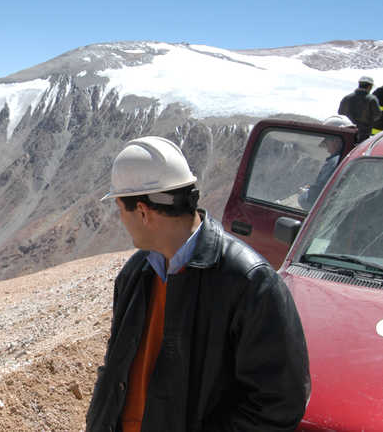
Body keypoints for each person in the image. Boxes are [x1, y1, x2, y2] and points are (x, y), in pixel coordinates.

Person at [85, 136, 311, 432]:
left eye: (120, 209)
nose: (121, 220)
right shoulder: (135, 274)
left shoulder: (249, 282)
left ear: (142, 211)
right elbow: (116, 370)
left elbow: (279, 404)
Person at [299, 134, 343, 210]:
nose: (327, 149)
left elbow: (315, 196)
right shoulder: (341, 158)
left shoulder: (334, 162)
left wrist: (304, 194)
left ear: (336, 141)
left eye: (326, 143)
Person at [338, 75, 382, 143]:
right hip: (365, 134)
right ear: (370, 86)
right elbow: (377, 115)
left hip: (347, 131)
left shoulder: (347, 97)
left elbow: (340, 113)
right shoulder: (372, 99)